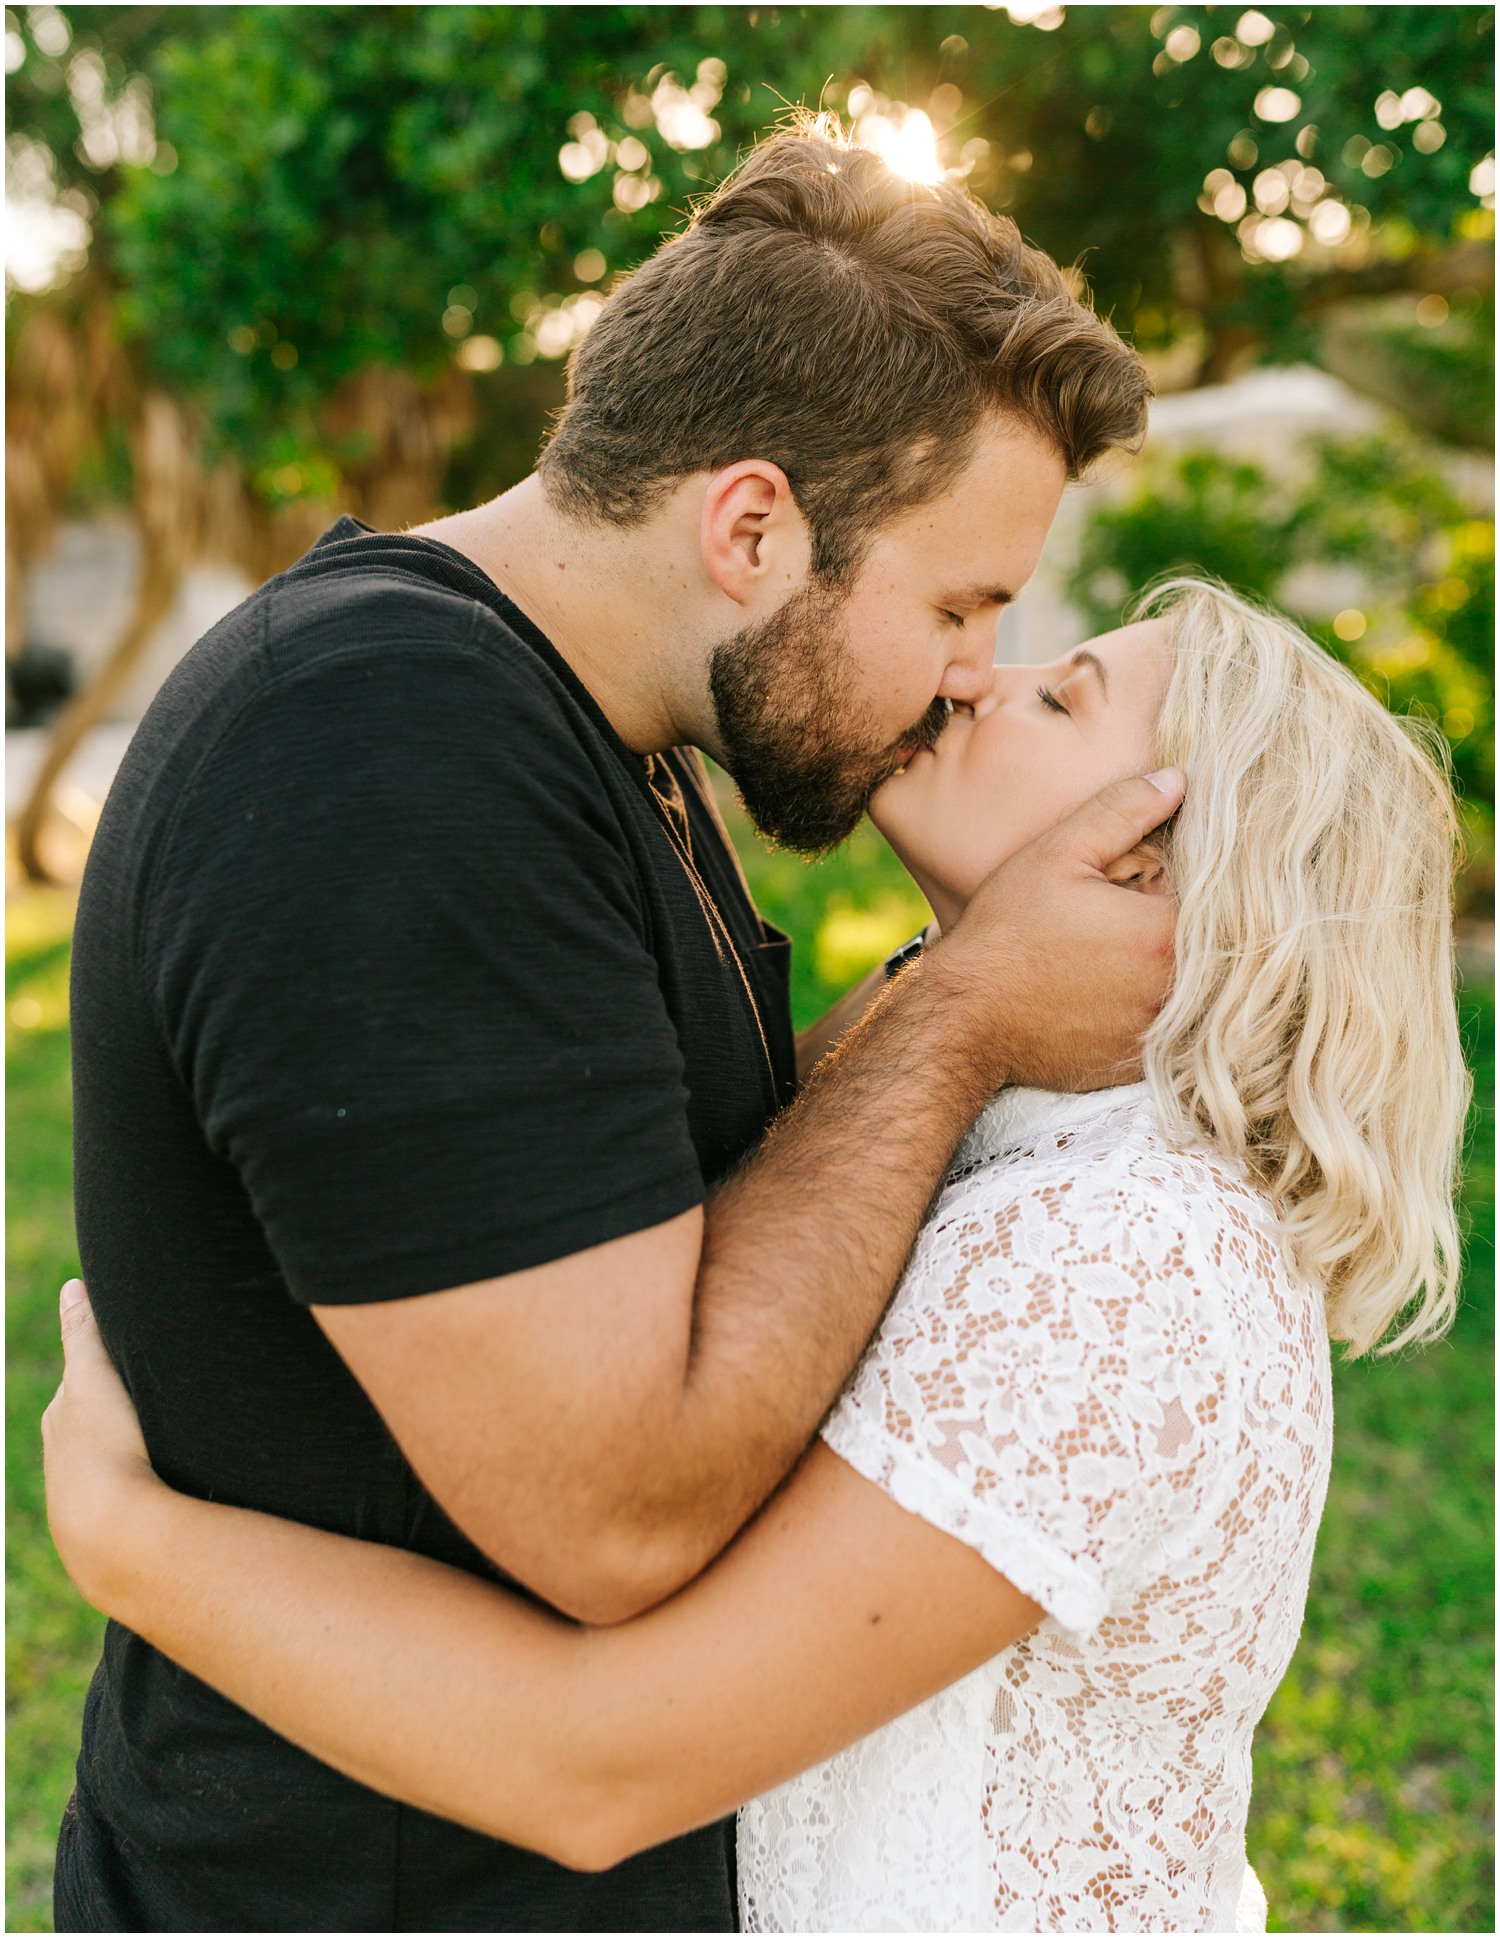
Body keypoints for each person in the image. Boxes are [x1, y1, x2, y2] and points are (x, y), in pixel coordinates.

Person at [51, 120, 1176, 1932]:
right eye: (959, 601)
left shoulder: (586, 736)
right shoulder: (386, 756)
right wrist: (959, 1015)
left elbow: (665, 1206)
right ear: (750, 524)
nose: (978, 666)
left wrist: (931, 1000)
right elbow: (618, 1518)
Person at [46, 581, 1468, 1932]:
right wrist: (961, 976)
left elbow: (601, 1763)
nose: (978, 675)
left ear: (1147, 865)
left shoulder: (1121, 1261)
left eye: (1058, 698)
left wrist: (136, 1541)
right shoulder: (1037, 1148)